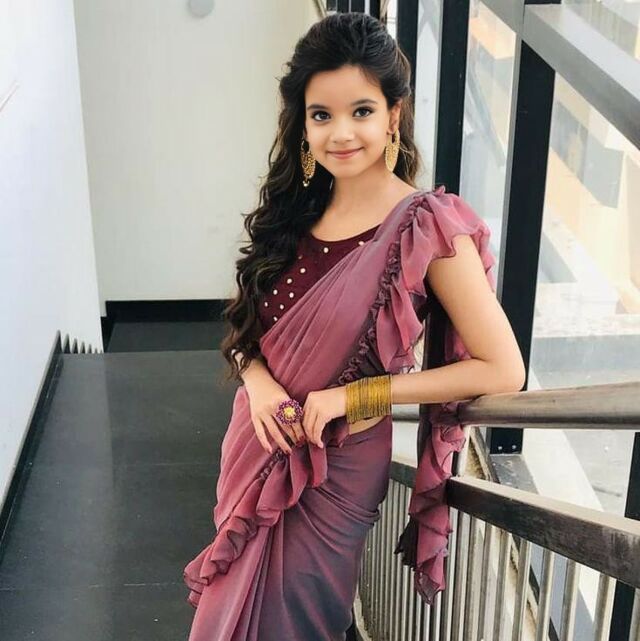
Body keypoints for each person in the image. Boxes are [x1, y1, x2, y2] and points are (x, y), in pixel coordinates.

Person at [183, 11, 525, 641]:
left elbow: (503, 368)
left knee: (298, 618)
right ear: (302, 122)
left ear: (394, 114)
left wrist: (358, 395)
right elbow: (246, 336)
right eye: (322, 115)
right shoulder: (293, 214)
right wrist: (257, 383)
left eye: (361, 111)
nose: (341, 133)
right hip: (257, 445)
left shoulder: (427, 225)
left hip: (335, 467)